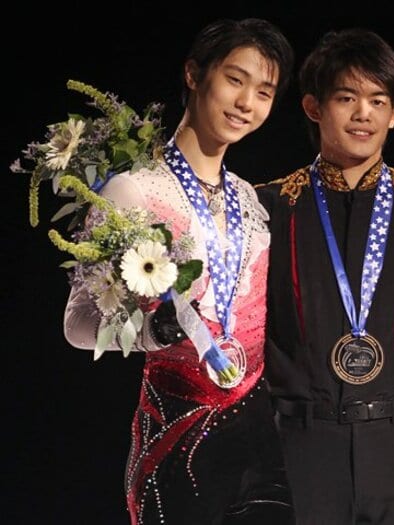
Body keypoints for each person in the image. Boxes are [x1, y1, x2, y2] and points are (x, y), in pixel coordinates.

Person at [63, 18, 296, 525]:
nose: (246, 103)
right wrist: (152, 331)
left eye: (264, 91)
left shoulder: (250, 199)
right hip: (175, 432)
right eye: (234, 80)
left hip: (258, 435)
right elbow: (78, 324)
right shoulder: (131, 191)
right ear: (194, 74)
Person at [255, 28, 394, 524]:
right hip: (298, 448)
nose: (363, 113)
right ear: (313, 107)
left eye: (377, 99)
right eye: (346, 98)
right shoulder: (270, 206)